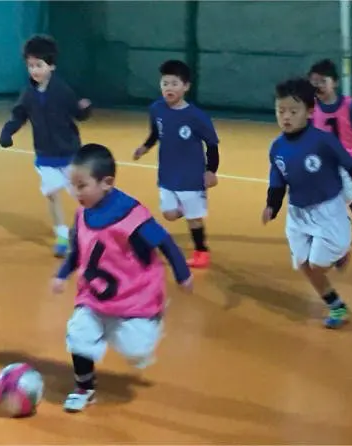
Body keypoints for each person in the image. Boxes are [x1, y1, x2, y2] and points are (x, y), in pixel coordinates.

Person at [52, 143, 193, 412]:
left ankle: (151, 319)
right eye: (72, 186)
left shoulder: (130, 214)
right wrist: (62, 275)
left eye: (82, 186)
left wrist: (182, 273)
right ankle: (84, 388)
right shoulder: (82, 215)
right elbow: (77, 251)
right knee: (79, 334)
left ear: (106, 183)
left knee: (135, 351)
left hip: (133, 297)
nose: (75, 193)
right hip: (93, 296)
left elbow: (164, 241)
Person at [262, 78, 352, 329]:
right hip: (297, 213)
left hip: (328, 211)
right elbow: (277, 179)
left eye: (293, 111)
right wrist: (272, 205)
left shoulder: (323, 141)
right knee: (304, 264)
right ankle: (336, 305)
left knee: (317, 264)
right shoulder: (277, 147)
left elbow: (349, 165)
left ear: (310, 111)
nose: (286, 117)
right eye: (281, 111)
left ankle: (341, 249)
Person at [0, 34, 92, 257]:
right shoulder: (28, 94)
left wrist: (84, 110)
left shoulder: (63, 90)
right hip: (45, 155)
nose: (34, 70)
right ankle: (62, 234)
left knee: (81, 195)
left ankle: (88, 230)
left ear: (51, 65)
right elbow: (18, 115)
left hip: (69, 153)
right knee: (52, 194)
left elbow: (77, 113)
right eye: (30, 66)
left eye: (39, 65)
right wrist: (7, 132)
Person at [133, 59, 220, 268]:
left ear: (186, 86)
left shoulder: (197, 117)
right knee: (169, 214)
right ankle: (187, 208)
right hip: (167, 174)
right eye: (165, 83)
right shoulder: (157, 109)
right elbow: (156, 133)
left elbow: (212, 145)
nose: (168, 88)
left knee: (194, 219)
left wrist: (211, 171)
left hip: (191, 177)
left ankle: (201, 251)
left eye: (174, 83)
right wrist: (145, 147)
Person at [307, 58, 352, 222]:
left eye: (323, 81)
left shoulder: (349, 105)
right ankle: (345, 212)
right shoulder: (311, 107)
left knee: (345, 191)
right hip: (325, 157)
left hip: (349, 156)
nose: (318, 86)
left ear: (335, 83)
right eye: (314, 82)